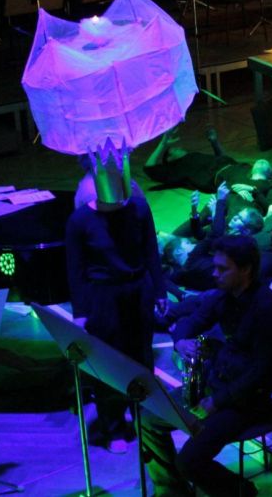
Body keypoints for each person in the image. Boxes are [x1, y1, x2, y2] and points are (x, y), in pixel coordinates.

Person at [142, 236, 272, 497]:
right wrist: (180, 342)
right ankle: (172, 491)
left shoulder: (269, 309)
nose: (214, 274)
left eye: (222, 269)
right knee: (147, 417)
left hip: (248, 401)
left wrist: (217, 402)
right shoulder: (222, 296)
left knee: (189, 461)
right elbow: (190, 323)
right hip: (217, 386)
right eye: (215, 267)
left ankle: (241, 492)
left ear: (245, 270)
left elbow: (262, 373)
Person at [65, 142, 165, 454]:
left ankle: (144, 420)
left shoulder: (137, 208)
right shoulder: (80, 220)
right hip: (103, 298)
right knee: (109, 362)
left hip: (137, 290)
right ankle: (113, 425)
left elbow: (150, 249)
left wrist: (159, 290)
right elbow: (76, 269)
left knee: (141, 357)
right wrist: (81, 311)